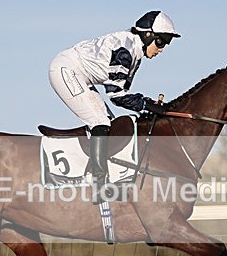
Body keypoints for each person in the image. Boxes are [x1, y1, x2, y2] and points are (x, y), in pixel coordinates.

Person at [48, 11, 180, 202]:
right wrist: (146, 105)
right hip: (65, 69)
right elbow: (116, 96)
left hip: (81, 75)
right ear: (148, 35)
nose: (161, 49)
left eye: (166, 44)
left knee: (110, 124)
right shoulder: (125, 52)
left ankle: (99, 173)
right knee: (100, 122)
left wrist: (147, 103)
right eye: (161, 42)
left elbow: (122, 94)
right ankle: (98, 185)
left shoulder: (135, 54)